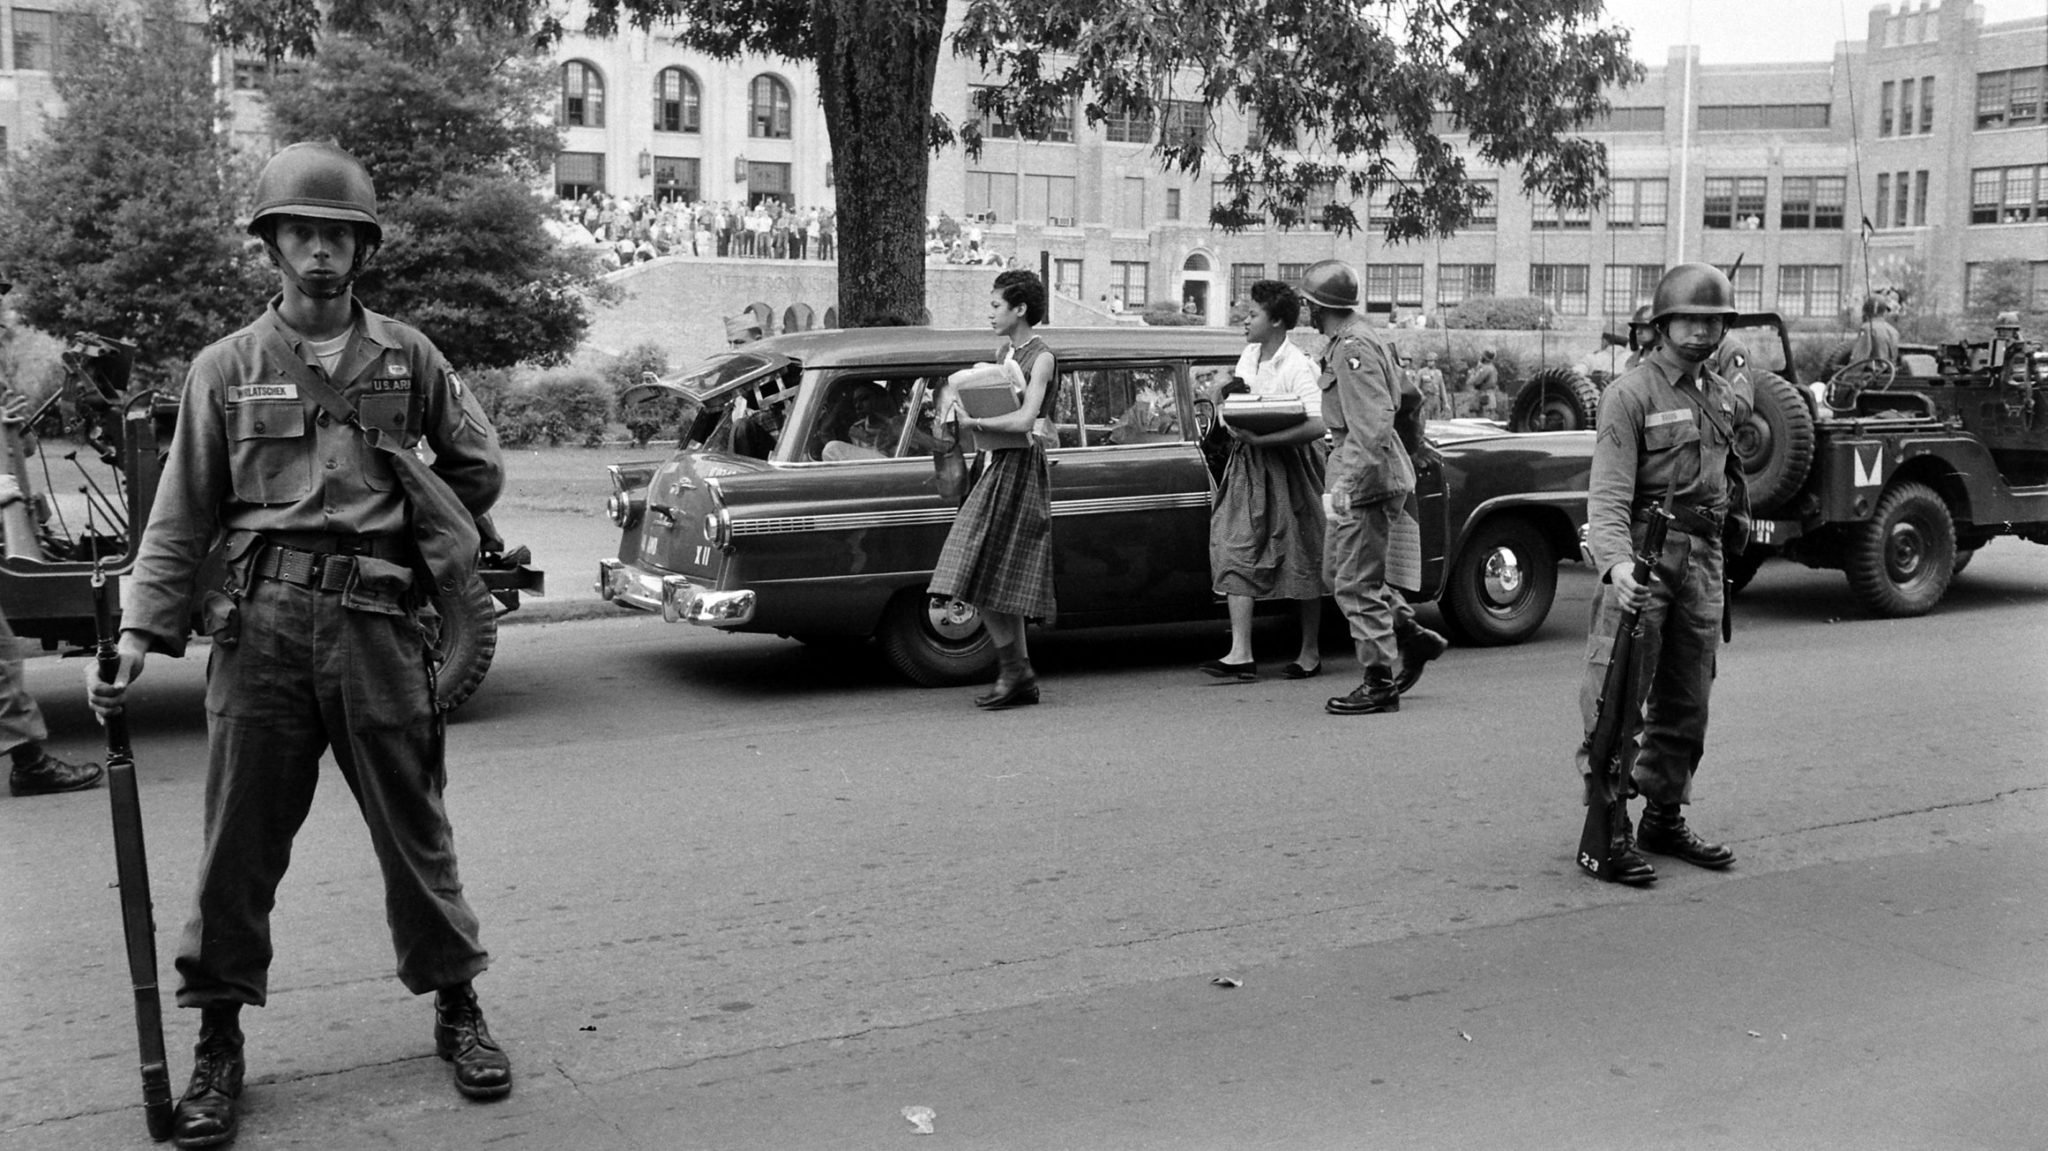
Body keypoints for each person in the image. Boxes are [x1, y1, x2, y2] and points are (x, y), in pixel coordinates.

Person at [84, 142, 513, 1147]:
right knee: (236, 846)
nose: (320, 253)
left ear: (362, 249)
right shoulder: (225, 368)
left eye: (339, 236)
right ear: (271, 243)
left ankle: (458, 1005)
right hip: (261, 628)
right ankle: (219, 1043)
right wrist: (142, 634)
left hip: (374, 621)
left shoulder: (409, 358)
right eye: (302, 233)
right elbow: (180, 512)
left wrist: (414, 503)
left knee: (416, 833)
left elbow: (478, 467)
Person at [1574, 262, 1752, 886]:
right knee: (1620, 694)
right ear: (1663, 322)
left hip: (1703, 559)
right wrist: (1617, 565)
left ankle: (1664, 817)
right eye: (1692, 319)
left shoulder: (1723, 395)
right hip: (1648, 556)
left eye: (1716, 321)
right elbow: (1608, 494)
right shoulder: (1631, 394)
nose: (1704, 331)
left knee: (1687, 697)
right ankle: (1610, 827)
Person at [1300, 260, 1448, 716]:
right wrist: (1414, 447)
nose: (1304, 308)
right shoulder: (1366, 336)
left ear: (1316, 305)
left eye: (1307, 301)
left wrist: (1347, 482)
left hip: (1364, 478)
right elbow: (1409, 400)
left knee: (1354, 583)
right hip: (1370, 472)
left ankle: (1379, 681)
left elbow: (1372, 423)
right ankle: (1412, 636)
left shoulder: (1353, 348)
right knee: (1337, 575)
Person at [928, 270, 1058, 710]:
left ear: (1020, 309)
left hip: (1018, 467)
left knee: (979, 568)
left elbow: (1026, 421)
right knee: (990, 572)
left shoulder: (1041, 357)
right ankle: (1017, 673)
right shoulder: (1004, 352)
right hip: (995, 463)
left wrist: (973, 423)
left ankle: (1016, 673)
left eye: (996, 304)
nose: (990, 312)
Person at [1200, 280, 1326, 681]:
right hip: (1249, 463)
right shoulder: (1248, 357)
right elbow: (1243, 407)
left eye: (1252, 314)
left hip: (1291, 467)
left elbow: (1317, 423)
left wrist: (1266, 437)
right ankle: (1240, 652)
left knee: (1302, 549)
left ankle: (1309, 651)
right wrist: (1229, 409)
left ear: (1276, 321)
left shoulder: (1299, 365)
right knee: (1235, 544)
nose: (1244, 320)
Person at [1849, 292, 1901, 368]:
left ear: (1865, 311)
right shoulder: (1893, 331)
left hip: (1872, 374)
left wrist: (1848, 375)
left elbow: (1859, 358)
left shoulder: (1866, 328)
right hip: (1889, 374)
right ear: (1884, 311)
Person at [1466, 349, 1502, 419]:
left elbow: (1475, 381)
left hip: (1484, 396)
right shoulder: (1493, 368)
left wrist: (1472, 373)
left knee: (1483, 419)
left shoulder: (1485, 368)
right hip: (1490, 395)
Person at [1624, 303, 1659, 370]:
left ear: (1657, 328)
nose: (1638, 332)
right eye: (1637, 327)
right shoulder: (1633, 359)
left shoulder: (1666, 359)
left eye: (1644, 327)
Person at [1417, 352, 1450, 421]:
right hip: (1426, 398)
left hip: (1436, 398)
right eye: (1428, 361)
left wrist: (1446, 402)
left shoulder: (1438, 373)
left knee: (1437, 419)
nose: (1430, 363)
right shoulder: (1421, 372)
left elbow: (1442, 388)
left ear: (1435, 362)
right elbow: (1416, 387)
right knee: (1426, 419)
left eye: (1432, 361)